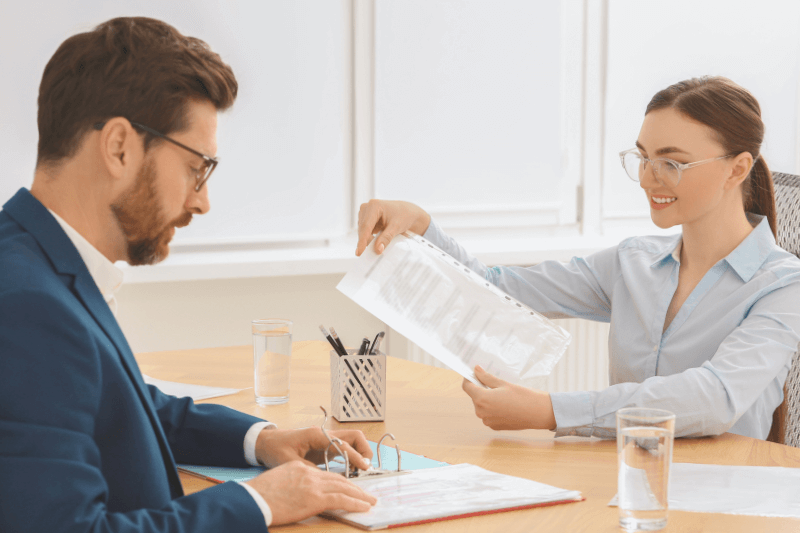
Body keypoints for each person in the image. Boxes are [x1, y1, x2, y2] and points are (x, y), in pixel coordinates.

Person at [0, 17, 376, 533]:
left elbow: (110, 405)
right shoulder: (28, 305)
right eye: (198, 167)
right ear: (119, 147)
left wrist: (260, 439)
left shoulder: (28, 257)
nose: (202, 201)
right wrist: (258, 503)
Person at [356, 76, 800, 442]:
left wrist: (551, 411)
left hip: (724, 500)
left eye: (672, 163)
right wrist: (423, 228)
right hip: (625, 482)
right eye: (643, 158)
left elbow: (715, 398)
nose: (649, 179)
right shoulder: (633, 263)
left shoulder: (782, 286)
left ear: (737, 168)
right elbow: (500, 288)